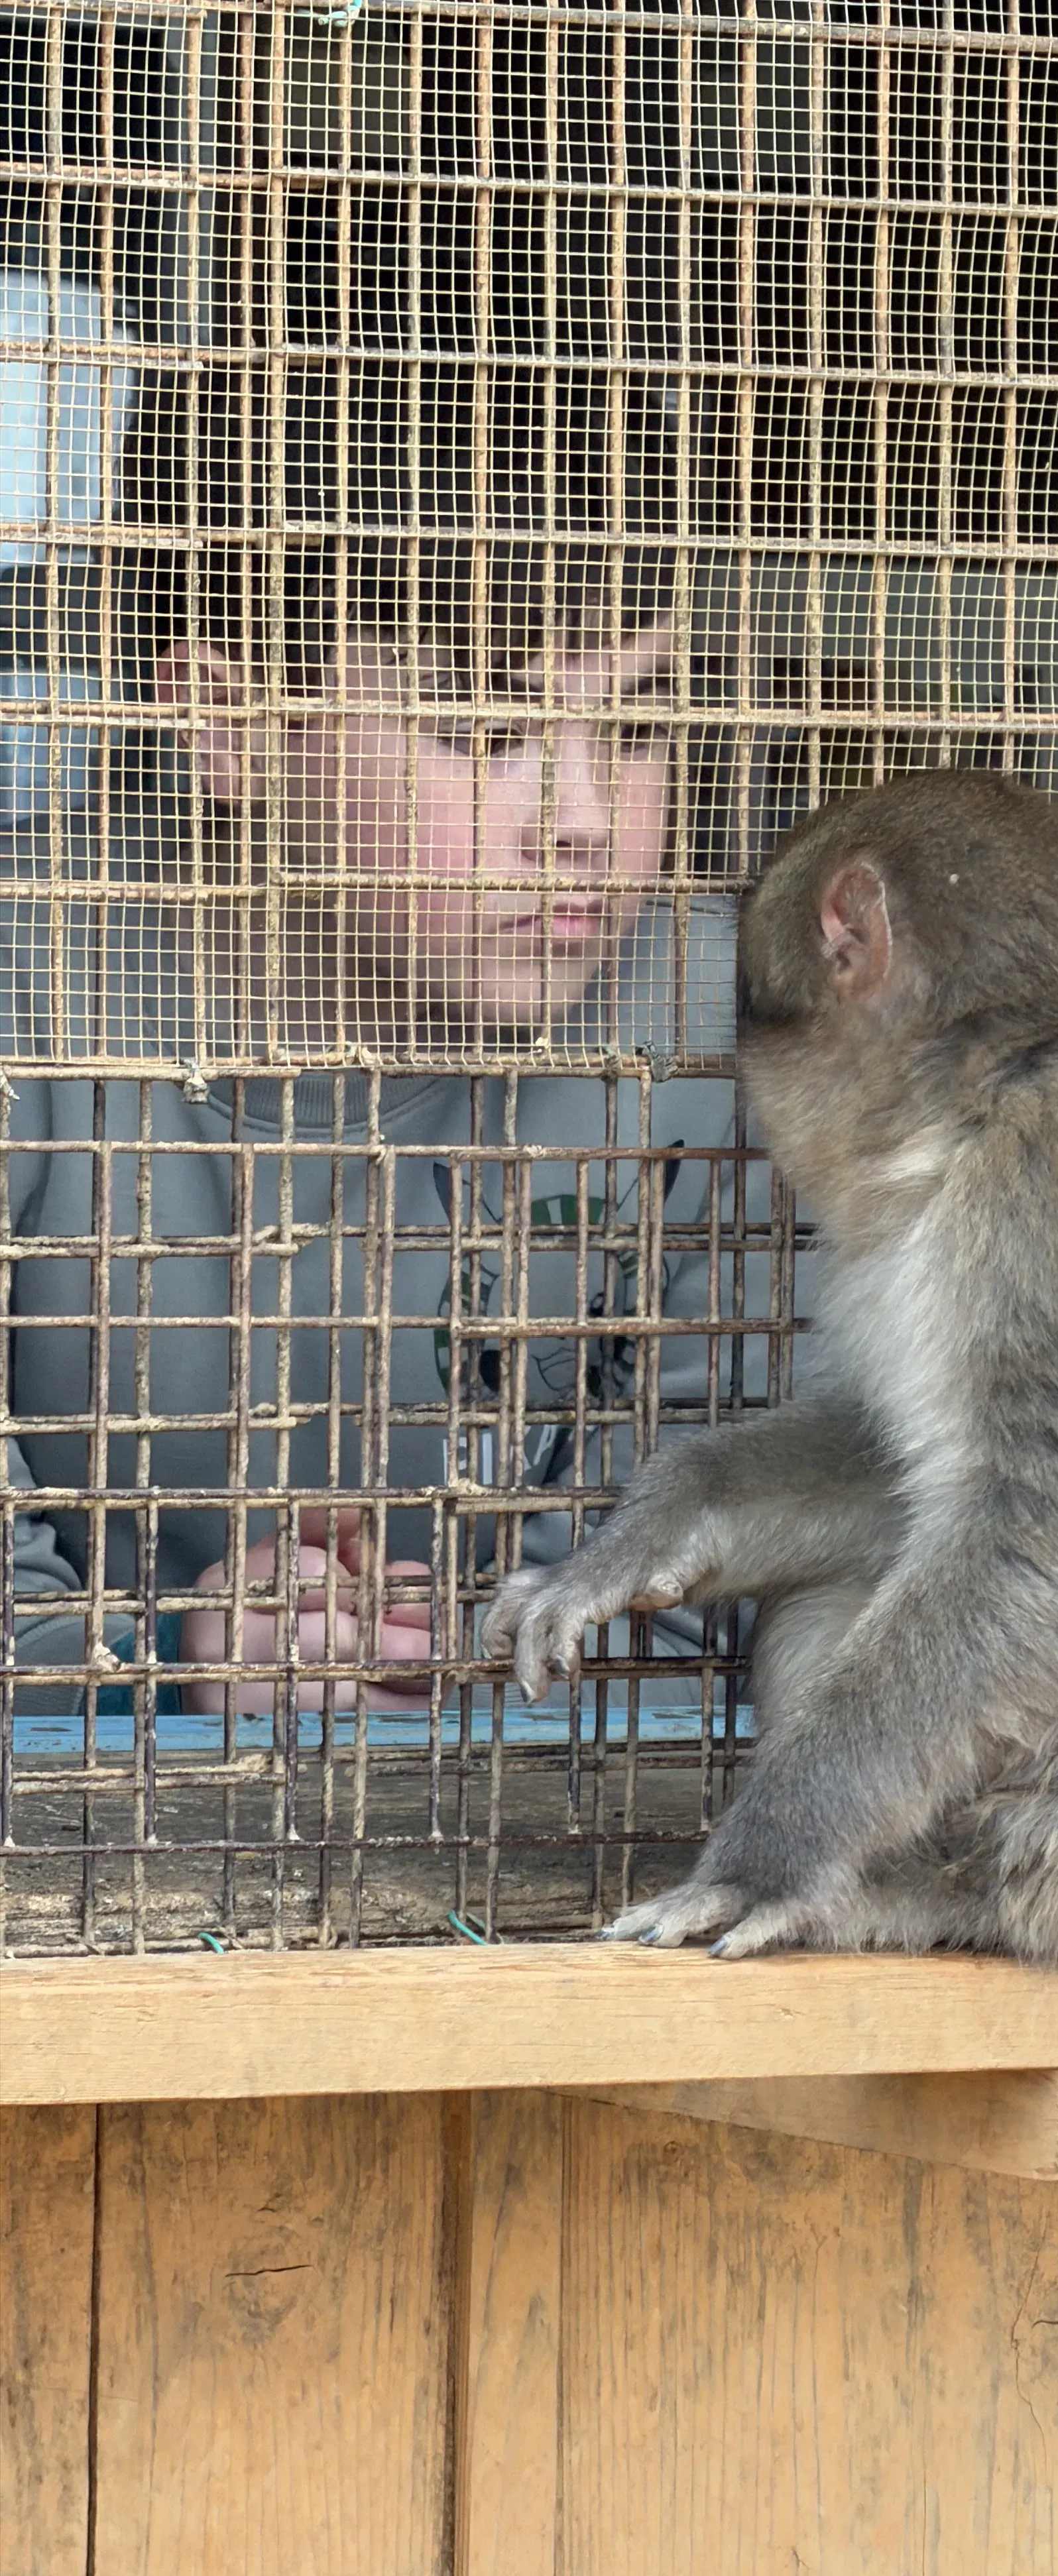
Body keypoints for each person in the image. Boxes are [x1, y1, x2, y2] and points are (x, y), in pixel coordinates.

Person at [0, 368, 746, 1718]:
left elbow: (744, 1580)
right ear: (226, 726)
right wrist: (170, 1661)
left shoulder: (710, 1028)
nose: (581, 818)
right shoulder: (30, 993)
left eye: (633, 723)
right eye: (490, 729)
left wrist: (480, 1655)